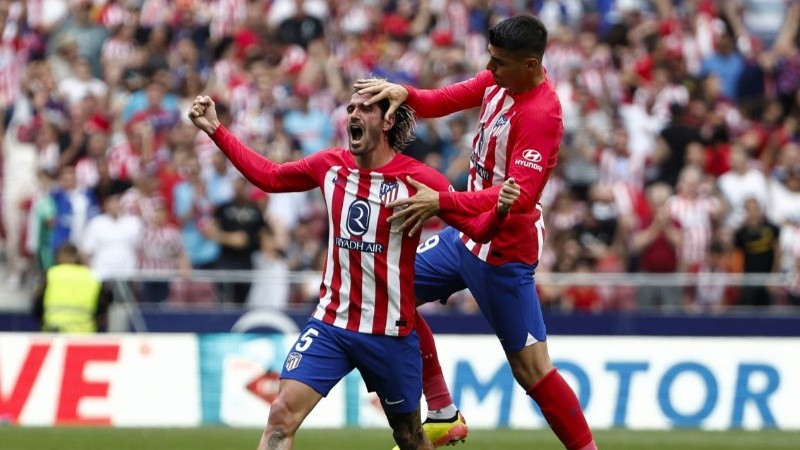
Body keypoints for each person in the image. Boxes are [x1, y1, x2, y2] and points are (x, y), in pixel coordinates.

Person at [188, 90, 521, 450]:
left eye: (365, 108)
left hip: (389, 335)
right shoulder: (330, 165)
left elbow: (477, 231)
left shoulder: (419, 180)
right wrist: (216, 130)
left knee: (409, 437)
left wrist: (500, 210)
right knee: (281, 416)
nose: (353, 115)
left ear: (388, 120)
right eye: (350, 108)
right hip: (332, 324)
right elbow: (269, 176)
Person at [355, 14, 598, 450]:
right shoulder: (497, 81)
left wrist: (441, 201)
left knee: (532, 371)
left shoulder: (542, 113)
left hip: (503, 252)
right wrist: (404, 93)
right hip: (462, 235)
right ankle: (443, 411)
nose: (491, 67)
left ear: (530, 65)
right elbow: (444, 99)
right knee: (390, 294)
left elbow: (519, 197)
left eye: (500, 62)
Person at [31, 242, 111, 333]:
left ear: (59, 257)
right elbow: (103, 306)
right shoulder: (91, 276)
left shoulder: (51, 274)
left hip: (53, 331)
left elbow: (37, 305)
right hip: (84, 334)